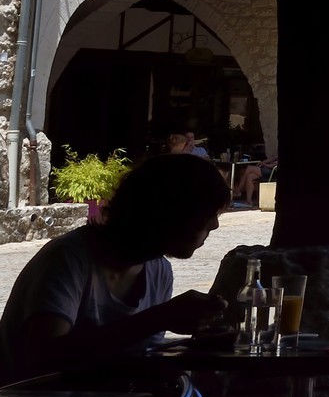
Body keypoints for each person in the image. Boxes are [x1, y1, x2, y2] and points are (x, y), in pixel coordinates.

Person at [0, 152, 231, 384]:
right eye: (207, 214)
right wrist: (161, 318)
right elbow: (42, 358)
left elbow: (133, 357)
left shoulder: (159, 272)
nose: (216, 224)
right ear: (171, 213)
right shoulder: (68, 260)